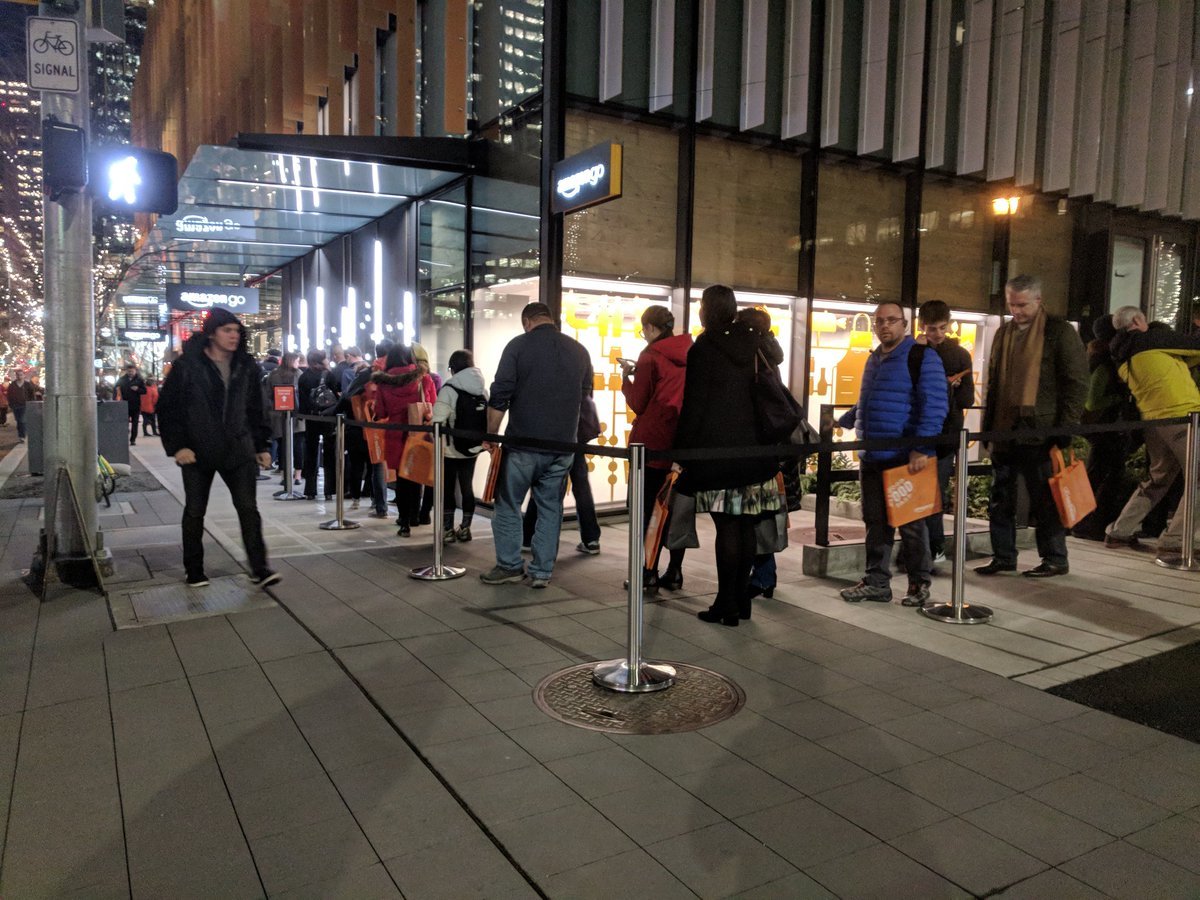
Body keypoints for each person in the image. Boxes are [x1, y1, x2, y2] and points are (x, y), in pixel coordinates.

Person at [674, 285, 782, 625]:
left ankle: (726, 605)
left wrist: (683, 453)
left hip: (718, 454)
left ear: (706, 309)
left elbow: (694, 406)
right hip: (756, 454)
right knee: (747, 525)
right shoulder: (755, 341)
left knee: (727, 528)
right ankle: (741, 603)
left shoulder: (704, 347)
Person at [837, 301, 948, 607]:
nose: (884, 326)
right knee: (875, 522)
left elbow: (935, 406)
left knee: (912, 524)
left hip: (904, 456)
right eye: (880, 321)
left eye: (891, 320)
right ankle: (876, 582)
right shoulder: (874, 359)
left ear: (905, 324)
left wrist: (921, 448)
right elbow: (869, 401)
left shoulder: (922, 357)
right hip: (873, 454)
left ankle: (918, 584)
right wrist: (846, 421)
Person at [156, 308, 278, 588]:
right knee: (196, 510)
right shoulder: (188, 366)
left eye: (237, 331)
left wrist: (261, 445)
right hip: (197, 451)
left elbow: (256, 408)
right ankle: (194, 570)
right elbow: (169, 409)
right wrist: (178, 447)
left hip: (239, 448)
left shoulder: (246, 366)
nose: (234, 336)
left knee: (248, 508)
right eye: (227, 330)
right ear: (212, 333)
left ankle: (260, 568)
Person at [976, 274, 1088, 578]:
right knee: (1001, 496)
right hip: (1004, 428)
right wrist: (987, 427)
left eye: (1022, 304)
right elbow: (994, 383)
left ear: (1038, 300)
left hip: (1041, 428)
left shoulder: (1058, 331)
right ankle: (1003, 556)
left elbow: (1076, 383)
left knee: (1044, 497)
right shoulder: (1003, 332)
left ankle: (1054, 557)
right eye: (1012, 304)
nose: (1017, 311)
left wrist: (1064, 428)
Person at [480, 302, 592, 589]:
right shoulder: (579, 351)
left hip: (523, 444)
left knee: (507, 505)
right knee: (550, 507)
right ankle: (542, 571)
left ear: (527, 321)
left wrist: (491, 436)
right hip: (563, 446)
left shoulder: (518, 346)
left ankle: (510, 565)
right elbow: (585, 397)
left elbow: (500, 393)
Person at [1103, 305, 1200, 565]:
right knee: (1197, 479)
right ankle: (1175, 541)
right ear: (1137, 320)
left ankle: (1120, 531)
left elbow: (1179, 359)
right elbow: (1195, 346)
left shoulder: (1124, 353)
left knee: (1159, 479)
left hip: (1154, 421)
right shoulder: (1151, 339)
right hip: (1181, 417)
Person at [620, 304, 693, 592]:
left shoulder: (649, 355)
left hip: (650, 445)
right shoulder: (690, 353)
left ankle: (648, 571)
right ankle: (674, 572)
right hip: (682, 442)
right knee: (675, 509)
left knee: (645, 511)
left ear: (650, 328)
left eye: (643, 330)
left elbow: (639, 402)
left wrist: (626, 379)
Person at [915, 300, 974, 564]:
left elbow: (967, 399)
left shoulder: (959, 355)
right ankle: (920, 549)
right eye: (932, 328)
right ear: (921, 326)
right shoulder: (913, 351)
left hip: (945, 434)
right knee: (917, 493)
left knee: (933, 492)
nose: (938, 333)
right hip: (919, 432)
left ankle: (934, 547)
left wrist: (952, 388)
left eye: (942, 328)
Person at [1072, 315, 1139, 541]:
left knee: (1102, 474)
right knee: (1105, 475)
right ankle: (1090, 523)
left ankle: (1089, 522)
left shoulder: (1095, 355)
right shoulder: (1105, 362)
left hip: (1098, 429)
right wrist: (1119, 397)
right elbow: (1092, 401)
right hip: (1104, 429)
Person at [371, 344, 436, 536]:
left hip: (395, 435)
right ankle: (415, 516)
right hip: (417, 434)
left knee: (402, 478)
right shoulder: (423, 379)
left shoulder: (383, 382)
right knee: (416, 476)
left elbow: (381, 412)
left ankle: (404, 522)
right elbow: (432, 404)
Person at [431, 349, 487, 542]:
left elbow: (437, 420)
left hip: (451, 448)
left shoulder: (449, 389)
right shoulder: (481, 389)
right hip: (473, 447)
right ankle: (465, 528)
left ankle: (447, 530)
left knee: (448, 489)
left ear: (452, 368)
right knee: (467, 487)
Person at [298, 349, 340, 501]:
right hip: (328, 418)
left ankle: (310, 490)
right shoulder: (329, 375)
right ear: (321, 361)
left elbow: (302, 401)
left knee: (311, 453)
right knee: (329, 454)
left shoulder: (303, 377)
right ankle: (329, 490)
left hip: (311, 418)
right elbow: (337, 396)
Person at [264, 351, 303, 474]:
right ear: (292, 361)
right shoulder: (298, 374)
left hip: (277, 414)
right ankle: (297, 474)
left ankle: (284, 471)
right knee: (297, 444)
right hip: (296, 414)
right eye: (297, 361)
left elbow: (268, 394)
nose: (298, 363)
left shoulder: (274, 374)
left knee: (282, 444)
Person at [115, 363, 147, 445]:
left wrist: (137, 389)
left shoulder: (139, 380)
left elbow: (144, 391)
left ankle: (133, 439)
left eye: (132, 371)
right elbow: (116, 389)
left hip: (135, 405)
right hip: (124, 404)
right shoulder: (122, 379)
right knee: (124, 423)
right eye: (129, 371)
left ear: (135, 371)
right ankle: (124, 438)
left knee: (135, 423)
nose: (130, 373)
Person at [7, 370, 34, 442]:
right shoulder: (12, 385)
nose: (19, 376)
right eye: (18, 375)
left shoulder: (27, 384)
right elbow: (9, 395)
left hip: (25, 405)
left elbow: (32, 394)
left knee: (22, 420)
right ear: (16, 376)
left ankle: (22, 436)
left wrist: (31, 402)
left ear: (24, 375)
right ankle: (21, 434)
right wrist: (10, 404)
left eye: (21, 375)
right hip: (15, 406)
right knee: (18, 421)